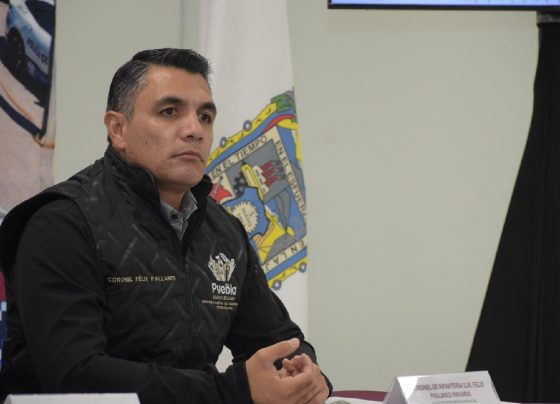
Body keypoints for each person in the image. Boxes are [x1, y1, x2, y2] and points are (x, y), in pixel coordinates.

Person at [0, 48, 331, 404]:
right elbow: (74, 376)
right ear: (118, 129)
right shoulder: (61, 223)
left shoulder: (223, 230)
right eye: (169, 112)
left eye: (205, 116)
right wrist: (234, 390)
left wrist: (305, 374)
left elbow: (278, 341)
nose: (194, 130)